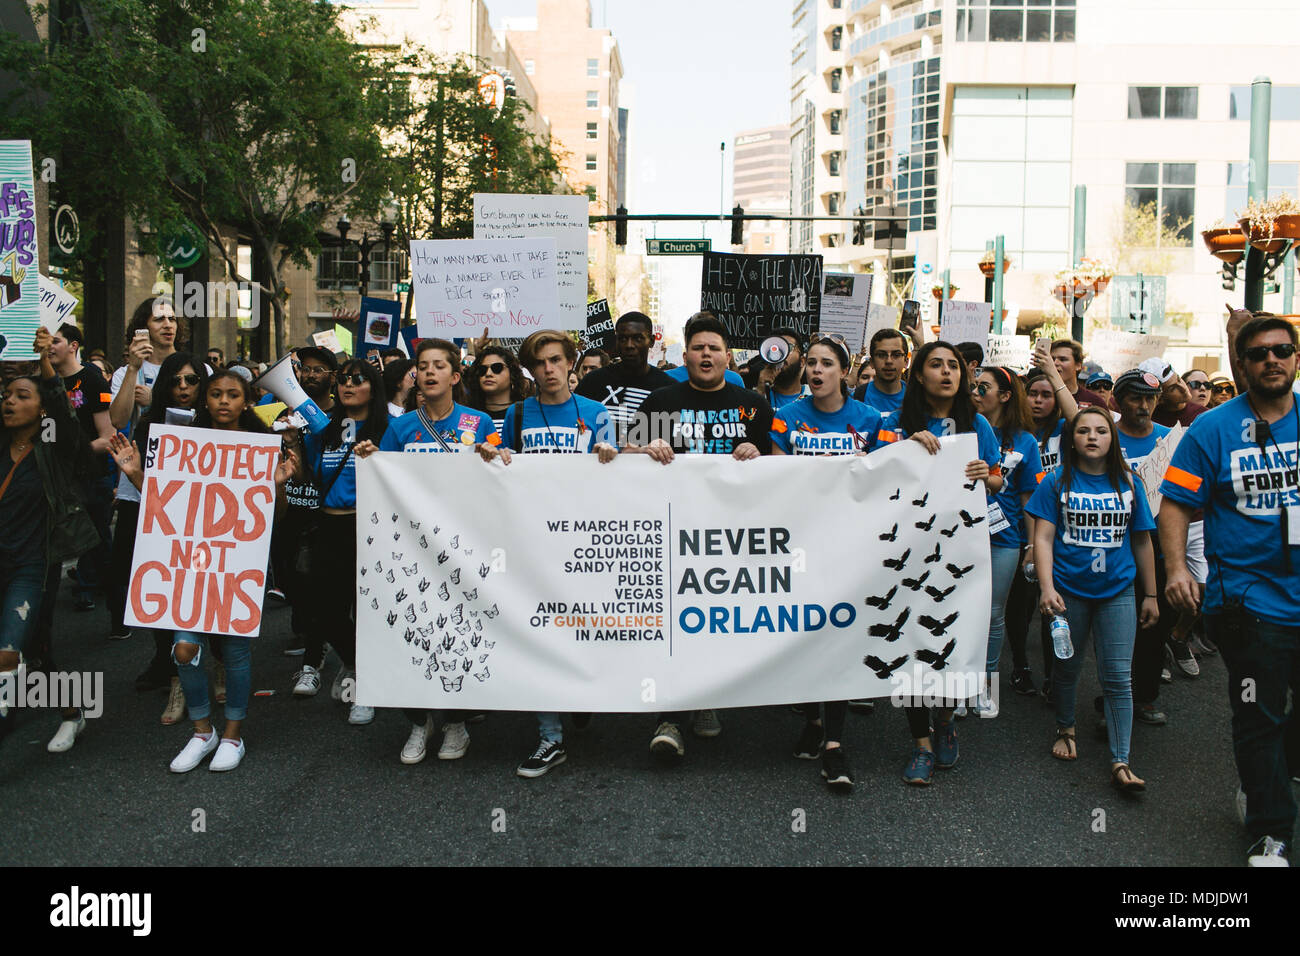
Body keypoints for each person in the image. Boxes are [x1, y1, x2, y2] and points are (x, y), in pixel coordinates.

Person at [1160, 315, 1300, 867]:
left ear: (1294, 358)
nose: (1272, 359)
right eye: (1259, 352)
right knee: (1258, 714)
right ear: (1241, 364)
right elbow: (1175, 503)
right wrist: (1176, 569)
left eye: (1282, 350)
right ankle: (1271, 830)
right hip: (1249, 602)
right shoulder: (1212, 429)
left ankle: (1271, 779)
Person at [110, 369, 298, 772]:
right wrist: (134, 474)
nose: (224, 401)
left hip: (237, 563)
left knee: (234, 650)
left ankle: (232, 735)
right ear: (205, 400)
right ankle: (201, 732)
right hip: (190, 563)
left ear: (246, 401)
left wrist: (279, 485)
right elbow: (167, 502)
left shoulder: (262, 445)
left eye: (233, 395)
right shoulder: (183, 444)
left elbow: (275, 518)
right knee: (184, 648)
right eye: (216, 394)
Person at [629, 313, 774, 760]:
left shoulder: (751, 403)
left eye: (714, 347)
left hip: (729, 536)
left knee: (713, 620)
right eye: (698, 347)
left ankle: (707, 699)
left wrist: (757, 452)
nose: (706, 354)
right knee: (674, 621)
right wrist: (644, 448)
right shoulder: (662, 400)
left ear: (728, 356)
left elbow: (779, 468)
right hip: (671, 530)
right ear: (684, 354)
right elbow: (626, 455)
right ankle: (669, 715)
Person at [355, 338, 501, 764]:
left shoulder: (478, 421)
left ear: (456, 376)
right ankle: (419, 721)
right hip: (413, 550)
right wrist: (372, 456)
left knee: (459, 633)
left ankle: (456, 721)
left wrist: (494, 454)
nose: (430, 372)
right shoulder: (400, 428)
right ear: (414, 375)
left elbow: (503, 469)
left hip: (465, 548)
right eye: (423, 365)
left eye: (440, 365)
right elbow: (389, 483)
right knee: (411, 634)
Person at [483, 330, 617, 778]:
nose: (549, 369)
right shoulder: (518, 414)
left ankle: (578, 694)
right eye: (540, 363)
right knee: (538, 633)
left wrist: (609, 454)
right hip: (532, 544)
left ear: (571, 363)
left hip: (584, 543)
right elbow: (504, 467)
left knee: (581, 630)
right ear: (531, 369)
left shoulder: (597, 414)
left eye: (557, 360)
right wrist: (493, 456)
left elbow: (620, 473)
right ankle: (549, 736)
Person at [876, 341, 1003, 784]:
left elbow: (998, 478)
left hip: (959, 549)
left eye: (953, 366)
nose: (947, 372)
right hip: (907, 548)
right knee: (910, 638)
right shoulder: (893, 422)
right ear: (919, 374)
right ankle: (920, 742)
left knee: (948, 633)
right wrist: (905, 448)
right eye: (936, 364)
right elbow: (874, 472)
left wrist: (987, 475)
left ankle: (945, 719)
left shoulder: (978, 423)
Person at [771, 332, 882, 791]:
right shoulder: (784, 418)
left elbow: (887, 482)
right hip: (800, 547)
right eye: (811, 363)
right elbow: (775, 483)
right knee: (808, 635)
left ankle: (833, 742)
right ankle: (814, 719)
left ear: (844, 371)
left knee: (838, 636)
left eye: (826, 364)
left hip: (850, 549)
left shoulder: (872, 421)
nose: (815, 371)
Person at [1028, 406, 1158, 794]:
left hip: (1117, 591)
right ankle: (1065, 728)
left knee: (1118, 677)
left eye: (1101, 430)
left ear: (1112, 438)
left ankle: (1121, 759)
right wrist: (1047, 588)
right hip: (1068, 592)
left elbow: (1142, 540)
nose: (1092, 436)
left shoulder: (1130, 483)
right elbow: (1043, 539)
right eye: (1083, 430)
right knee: (1067, 669)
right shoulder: (1055, 482)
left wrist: (1150, 593)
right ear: (1072, 439)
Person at [0, 328, 101, 754]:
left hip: (32, 566)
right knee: (38, 655)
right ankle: (72, 710)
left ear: (41, 410)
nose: (10, 401)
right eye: (7, 395)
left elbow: (62, 409)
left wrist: (44, 363)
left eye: (23, 396)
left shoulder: (52, 444)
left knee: (8, 658)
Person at [295, 359, 389, 716]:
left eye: (358, 379)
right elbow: (314, 476)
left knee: (366, 610)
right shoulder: (327, 429)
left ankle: (365, 687)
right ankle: (354, 664)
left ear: (373, 387)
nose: (348, 385)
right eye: (344, 379)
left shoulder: (386, 428)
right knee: (324, 610)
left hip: (367, 527)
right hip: (328, 525)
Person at [128, 353, 210, 725]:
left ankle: (218, 667)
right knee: (170, 605)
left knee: (212, 598)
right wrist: (132, 473)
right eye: (175, 381)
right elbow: (152, 490)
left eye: (191, 381)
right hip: (166, 528)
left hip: (213, 529)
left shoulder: (216, 421)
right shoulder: (148, 427)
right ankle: (178, 679)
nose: (183, 388)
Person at [107, 297, 183, 652]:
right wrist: (134, 370)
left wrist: (156, 400)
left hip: (183, 490)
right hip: (137, 489)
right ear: (143, 327)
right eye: (158, 319)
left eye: (172, 318)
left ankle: (181, 653)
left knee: (177, 574)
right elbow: (119, 421)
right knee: (138, 571)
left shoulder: (191, 368)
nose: (168, 324)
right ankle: (162, 655)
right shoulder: (126, 373)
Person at [1004, 350, 1081, 697]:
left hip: (1060, 529)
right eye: (1032, 394)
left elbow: (1078, 416)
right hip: (1022, 528)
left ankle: (1053, 677)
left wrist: (1055, 376)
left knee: (1052, 606)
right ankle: (1020, 665)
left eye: (1046, 395)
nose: (1038, 400)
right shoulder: (1014, 432)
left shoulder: (1066, 431)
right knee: (1020, 605)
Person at [970, 365, 1042, 715]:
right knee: (963, 612)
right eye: (974, 387)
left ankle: (985, 684)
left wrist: (1031, 546)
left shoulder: (1025, 441)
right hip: (960, 536)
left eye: (984, 388)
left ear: (1005, 395)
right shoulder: (963, 427)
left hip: (1005, 537)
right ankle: (957, 686)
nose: (976, 393)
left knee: (994, 614)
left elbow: (1031, 497)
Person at [1110, 369, 1180, 724]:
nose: (1144, 405)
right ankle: (1114, 700)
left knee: (1154, 623)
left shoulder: (1171, 441)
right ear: (1118, 402)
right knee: (1117, 630)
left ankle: (1146, 697)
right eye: (1135, 398)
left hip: (1160, 543)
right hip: (1115, 543)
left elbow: (1185, 495)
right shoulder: (1106, 438)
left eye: (1150, 398)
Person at [47, 324, 115, 616]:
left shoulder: (92, 379)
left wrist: (76, 453)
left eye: (56, 341)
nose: (49, 346)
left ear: (73, 346)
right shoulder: (41, 382)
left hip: (90, 478)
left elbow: (108, 435)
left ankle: (117, 610)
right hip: (53, 479)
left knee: (97, 542)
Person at [276, 347, 337, 658]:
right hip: (292, 506)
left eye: (319, 370)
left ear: (332, 377)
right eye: (306, 369)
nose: (311, 375)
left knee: (315, 575)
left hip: (322, 508)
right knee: (289, 572)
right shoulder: (283, 413)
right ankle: (306, 627)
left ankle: (315, 636)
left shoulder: (340, 416)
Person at [576, 311, 675, 444]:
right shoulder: (592, 382)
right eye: (622, 339)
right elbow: (576, 425)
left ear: (651, 341)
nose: (629, 345)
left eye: (637, 338)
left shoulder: (668, 387)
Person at [465, 345, 528, 435]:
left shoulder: (526, 412)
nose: (488, 373)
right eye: (482, 370)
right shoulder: (468, 413)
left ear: (512, 373)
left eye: (497, 368)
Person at [851, 328, 909, 414]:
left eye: (896, 355)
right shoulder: (854, 401)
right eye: (881, 355)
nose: (889, 361)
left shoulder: (917, 400)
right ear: (872, 362)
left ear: (906, 362)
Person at [759, 328, 809, 412]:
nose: (782, 355)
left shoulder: (814, 395)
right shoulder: (758, 395)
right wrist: (760, 390)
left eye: (788, 347)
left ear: (802, 361)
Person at [1050, 339, 1106, 408]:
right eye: (1052, 359)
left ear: (1078, 365)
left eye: (1063, 359)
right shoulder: (1040, 397)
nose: (1055, 363)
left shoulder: (1095, 402)